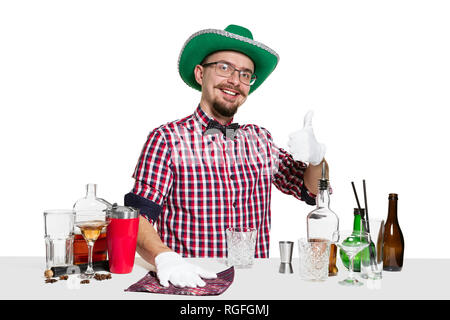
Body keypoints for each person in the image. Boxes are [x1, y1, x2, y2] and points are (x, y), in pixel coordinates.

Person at [124, 25, 328, 288]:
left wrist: (316, 158)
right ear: (200, 73)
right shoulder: (167, 139)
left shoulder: (261, 139)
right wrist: (166, 258)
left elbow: (311, 191)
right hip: (190, 283)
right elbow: (137, 217)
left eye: (245, 74)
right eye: (224, 68)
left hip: (254, 285)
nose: (234, 80)